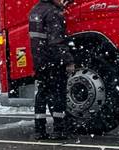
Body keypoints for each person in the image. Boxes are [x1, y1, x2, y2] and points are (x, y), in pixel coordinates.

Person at [29, 0, 75, 140]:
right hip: (53, 61)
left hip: (40, 61)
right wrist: (68, 60)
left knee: (42, 94)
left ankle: (39, 130)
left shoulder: (35, 11)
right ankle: (59, 130)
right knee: (58, 94)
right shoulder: (53, 13)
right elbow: (56, 42)